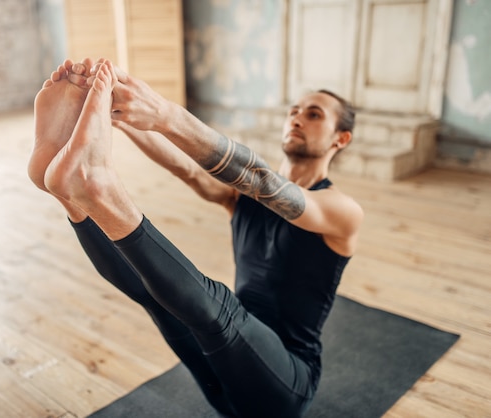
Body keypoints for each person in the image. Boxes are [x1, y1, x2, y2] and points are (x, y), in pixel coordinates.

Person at [28, 57, 364, 418]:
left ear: (340, 138)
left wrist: (167, 115)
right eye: (294, 110)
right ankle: (69, 195)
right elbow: (189, 169)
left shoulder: (341, 211)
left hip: (285, 385)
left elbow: (264, 182)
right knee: (158, 298)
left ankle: (96, 186)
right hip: (221, 369)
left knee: (220, 310)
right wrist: (119, 113)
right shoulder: (241, 198)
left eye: (314, 114)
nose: (297, 117)